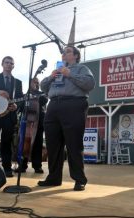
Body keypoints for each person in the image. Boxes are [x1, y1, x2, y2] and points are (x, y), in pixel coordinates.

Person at [38, 46, 95, 191]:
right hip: (53, 105)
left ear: (76, 56)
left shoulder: (81, 69)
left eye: (68, 51)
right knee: (52, 144)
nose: (64, 54)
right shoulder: (57, 70)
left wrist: (69, 74)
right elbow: (43, 87)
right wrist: (51, 76)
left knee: (73, 144)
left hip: (73, 104)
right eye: (63, 52)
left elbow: (89, 84)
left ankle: (79, 179)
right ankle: (54, 178)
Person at [15, 77, 48, 173]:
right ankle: (22, 165)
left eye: (38, 83)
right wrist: (25, 99)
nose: (36, 84)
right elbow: (19, 108)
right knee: (24, 143)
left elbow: (44, 102)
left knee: (38, 143)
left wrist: (36, 96)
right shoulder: (24, 95)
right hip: (26, 122)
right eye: (34, 82)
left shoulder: (42, 94)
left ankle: (37, 166)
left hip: (38, 122)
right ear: (29, 83)